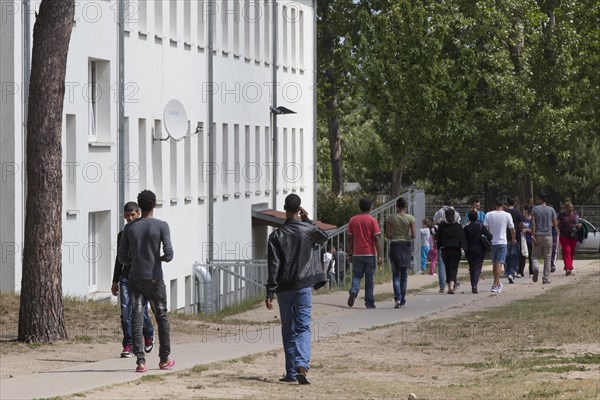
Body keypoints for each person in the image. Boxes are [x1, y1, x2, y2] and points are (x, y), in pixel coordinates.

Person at [265, 194, 328, 384]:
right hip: (303, 286)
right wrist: (307, 219)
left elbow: (273, 265)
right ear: (299, 209)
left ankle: (291, 373)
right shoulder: (307, 230)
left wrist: (270, 291)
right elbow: (324, 237)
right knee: (303, 327)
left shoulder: (275, 235)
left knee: (288, 330)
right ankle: (302, 364)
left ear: (285, 209)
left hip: (284, 289)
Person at [118, 190, 175, 373]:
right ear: (154, 205)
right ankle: (164, 359)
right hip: (155, 278)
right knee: (161, 317)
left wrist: (133, 261)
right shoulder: (161, 226)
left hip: (135, 278)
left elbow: (122, 257)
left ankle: (140, 361)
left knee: (136, 316)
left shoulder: (130, 228)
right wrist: (160, 259)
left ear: (139, 207)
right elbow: (169, 253)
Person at [111, 201, 155, 358]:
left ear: (139, 213)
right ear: (124, 216)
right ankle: (128, 344)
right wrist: (115, 280)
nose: (130, 218)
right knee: (125, 311)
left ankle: (149, 333)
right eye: (127, 215)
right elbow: (119, 259)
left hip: (143, 277)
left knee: (141, 310)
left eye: (133, 214)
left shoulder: (147, 231)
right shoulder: (122, 235)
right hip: (125, 277)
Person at [347, 197, 383, 309]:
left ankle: (354, 290)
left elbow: (349, 239)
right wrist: (380, 255)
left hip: (357, 253)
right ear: (370, 207)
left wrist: (350, 253)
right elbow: (376, 238)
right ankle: (369, 302)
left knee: (357, 275)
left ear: (359, 207)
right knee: (369, 278)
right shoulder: (372, 220)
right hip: (370, 253)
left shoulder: (353, 220)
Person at [385, 197, 416, 308]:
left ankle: (397, 298)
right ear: (405, 206)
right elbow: (414, 235)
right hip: (406, 246)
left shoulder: (391, 218)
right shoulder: (411, 218)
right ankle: (402, 299)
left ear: (396, 206)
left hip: (395, 246)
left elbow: (388, 235)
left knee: (395, 274)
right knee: (404, 275)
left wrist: (394, 235)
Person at [484, 197, 515, 293]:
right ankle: (495, 284)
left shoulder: (489, 215)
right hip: (502, 241)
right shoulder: (507, 215)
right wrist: (513, 238)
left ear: (495, 205)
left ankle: (497, 282)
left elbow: (485, 227)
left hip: (492, 241)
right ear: (503, 205)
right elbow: (512, 228)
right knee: (499, 263)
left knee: (495, 263)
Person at [432, 197, 461, 293]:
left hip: (443, 243)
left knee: (442, 265)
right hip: (454, 244)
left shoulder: (438, 213)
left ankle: (442, 286)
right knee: (453, 266)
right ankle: (453, 283)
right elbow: (459, 224)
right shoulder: (456, 213)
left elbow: (433, 228)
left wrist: (435, 240)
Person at [435, 209, 467, 294]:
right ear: (454, 216)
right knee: (453, 268)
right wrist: (464, 248)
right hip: (455, 250)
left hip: (445, 249)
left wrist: (438, 247)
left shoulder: (442, 226)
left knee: (447, 268)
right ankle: (452, 286)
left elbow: (438, 238)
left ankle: (449, 286)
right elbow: (462, 238)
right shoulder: (458, 226)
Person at [530, 193, 558, 284]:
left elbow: (533, 223)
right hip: (548, 235)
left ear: (540, 199)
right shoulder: (551, 209)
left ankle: (536, 268)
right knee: (548, 258)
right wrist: (557, 231)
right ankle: (545, 278)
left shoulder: (535, 209)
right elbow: (555, 223)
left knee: (535, 256)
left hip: (538, 235)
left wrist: (533, 236)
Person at [463, 210, 493, 294]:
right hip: (479, 250)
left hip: (469, 250)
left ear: (469, 218)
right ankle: (474, 285)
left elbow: (463, 240)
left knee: (472, 267)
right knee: (477, 267)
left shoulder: (465, 228)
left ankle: (473, 283)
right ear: (477, 217)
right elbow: (490, 236)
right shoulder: (481, 226)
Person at [557, 201, 582, 276]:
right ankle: (568, 268)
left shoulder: (575, 215)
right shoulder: (561, 216)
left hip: (574, 236)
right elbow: (556, 224)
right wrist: (557, 231)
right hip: (564, 236)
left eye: (571, 207)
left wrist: (579, 225)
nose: (571, 208)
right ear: (566, 208)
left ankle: (567, 267)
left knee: (571, 252)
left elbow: (578, 222)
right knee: (567, 251)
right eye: (569, 207)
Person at [503, 197, 524, 283]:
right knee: (514, 255)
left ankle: (507, 271)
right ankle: (512, 272)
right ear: (514, 203)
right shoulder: (517, 212)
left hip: (506, 236)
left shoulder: (504, 212)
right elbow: (521, 223)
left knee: (507, 255)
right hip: (516, 237)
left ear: (507, 203)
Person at [520, 205, 534, 276]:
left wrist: (528, 230)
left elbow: (535, 229)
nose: (523, 212)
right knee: (522, 256)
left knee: (531, 256)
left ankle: (531, 271)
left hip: (530, 240)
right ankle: (520, 271)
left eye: (524, 210)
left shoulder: (532, 219)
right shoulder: (522, 219)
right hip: (523, 240)